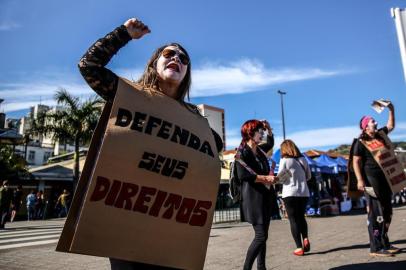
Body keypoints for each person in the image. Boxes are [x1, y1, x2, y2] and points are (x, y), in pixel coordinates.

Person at [78, 17, 223, 270]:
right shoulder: (129, 96)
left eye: (183, 58)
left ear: (187, 72)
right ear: (154, 63)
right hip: (128, 226)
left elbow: (215, 145)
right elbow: (88, 65)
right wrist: (123, 34)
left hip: (173, 229)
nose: (176, 58)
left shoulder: (194, 119)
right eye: (169, 54)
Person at [350, 101, 400, 257]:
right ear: (366, 127)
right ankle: (376, 247)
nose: (375, 122)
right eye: (372, 121)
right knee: (376, 213)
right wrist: (359, 180)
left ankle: (385, 242)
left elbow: (390, 126)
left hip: (385, 179)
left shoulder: (380, 136)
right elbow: (356, 161)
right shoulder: (360, 142)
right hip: (371, 182)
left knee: (387, 211)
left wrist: (391, 109)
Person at [235, 119, 277, 270]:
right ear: (250, 133)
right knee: (261, 236)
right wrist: (265, 178)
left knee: (264, 236)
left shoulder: (260, 151)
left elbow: (270, 143)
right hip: (253, 199)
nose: (262, 134)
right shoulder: (242, 152)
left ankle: (261, 267)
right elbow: (242, 175)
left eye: (263, 131)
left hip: (266, 197)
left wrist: (269, 128)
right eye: (260, 131)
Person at [279, 140, 312, 256]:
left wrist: (288, 176)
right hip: (303, 193)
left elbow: (280, 179)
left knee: (293, 220)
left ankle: (299, 247)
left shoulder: (284, 161)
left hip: (289, 193)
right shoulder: (303, 160)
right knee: (301, 217)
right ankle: (306, 238)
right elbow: (309, 176)